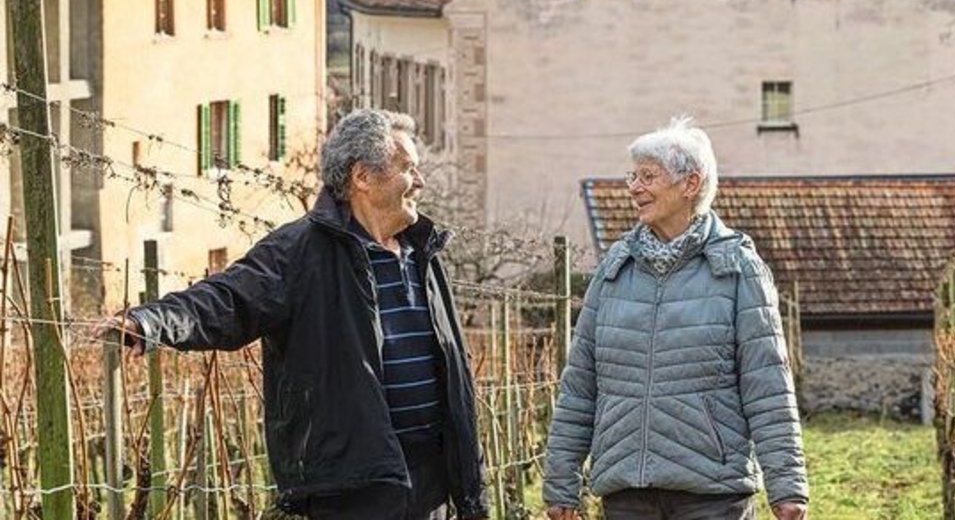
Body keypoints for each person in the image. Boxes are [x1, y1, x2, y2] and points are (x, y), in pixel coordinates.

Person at [92, 109, 488, 520]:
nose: (420, 182)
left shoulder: (422, 252)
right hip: (353, 487)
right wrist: (152, 322)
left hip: (431, 485)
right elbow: (228, 299)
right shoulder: (301, 251)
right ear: (362, 177)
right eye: (407, 169)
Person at [544, 117, 808, 520]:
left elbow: (767, 383)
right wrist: (562, 480)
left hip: (712, 494)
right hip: (627, 491)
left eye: (648, 176)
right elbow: (580, 383)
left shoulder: (737, 268)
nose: (634, 187)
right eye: (632, 176)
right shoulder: (615, 269)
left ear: (690, 184)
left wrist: (787, 484)